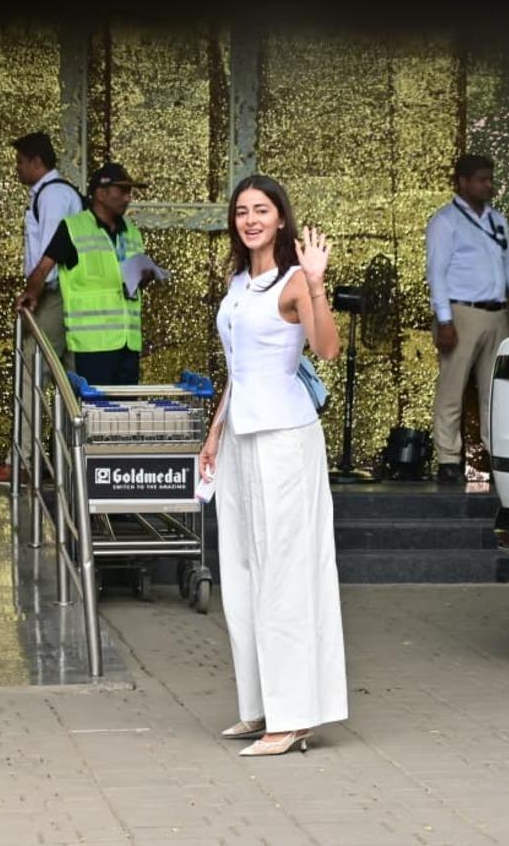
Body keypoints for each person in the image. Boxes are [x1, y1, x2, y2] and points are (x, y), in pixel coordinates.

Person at [199, 174, 347, 757]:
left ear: (281, 218)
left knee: (285, 572)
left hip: (285, 438)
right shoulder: (239, 282)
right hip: (239, 436)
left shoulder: (291, 282)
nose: (251, 218)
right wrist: (213, 435)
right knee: (242, 572)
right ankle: (260, 707)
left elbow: (327, 348)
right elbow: (236, 370)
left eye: (262, 210)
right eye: (242, 210)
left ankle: (293, 716)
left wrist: (316, 284)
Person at [0, 132, 84, 485]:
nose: (17, 169)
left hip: (54, 293)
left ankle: (22, 461)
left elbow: (50, 252)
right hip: (65, 295)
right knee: (68, 379)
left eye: (20, 162)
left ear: (36, 162)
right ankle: (67, 463)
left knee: (33, 372)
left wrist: (33, 289)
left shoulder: (53, 195)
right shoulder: (57, 194)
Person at [426, 154, 509, 484]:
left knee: (494, 392)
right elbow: (436, 274)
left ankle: (497, 456)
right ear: (463, 182)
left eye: (490, 179)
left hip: (497, 314)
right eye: (482, 179)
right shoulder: (445, 221)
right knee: (452, 388)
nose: (489, 185)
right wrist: (444, 320)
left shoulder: (497, 220)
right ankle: (448, 459)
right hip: (461, 312)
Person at [36, 162, 157, 385]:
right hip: (91, 345)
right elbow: (44, 267)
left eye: (130, 192)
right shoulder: (74, 227)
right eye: (122, 192)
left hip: (127, 341)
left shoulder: (131, 231)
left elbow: (133, 280)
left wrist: (145, 275)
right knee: (95, 413)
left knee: (124, 414)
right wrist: (30, 295)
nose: (128, 198)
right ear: (101, 193)